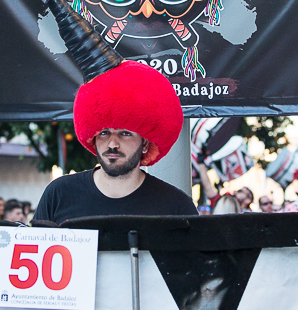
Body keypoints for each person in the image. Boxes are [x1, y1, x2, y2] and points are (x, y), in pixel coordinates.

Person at [33, 62, 197, 224]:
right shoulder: (59, 195)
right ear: (94, 138)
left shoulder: (176, 207)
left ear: (145, 144)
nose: (112, 144)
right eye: (104, 133)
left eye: (125, 134)